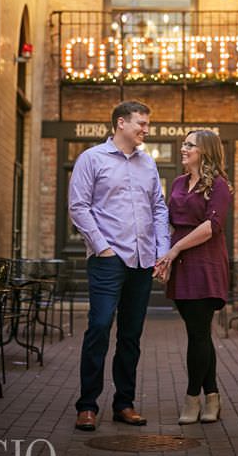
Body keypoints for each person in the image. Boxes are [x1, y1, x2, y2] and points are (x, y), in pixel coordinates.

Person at [69, 101, 170, 431]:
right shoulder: (91, 159)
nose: (146, 129)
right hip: (108, 261)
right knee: (98, 328)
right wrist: (103, 248)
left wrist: (162, 251)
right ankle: (87, 406)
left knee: (131, 335)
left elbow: (158, 209)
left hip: (142, 262)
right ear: (120, 123)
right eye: (141, 123)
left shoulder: (148, 164)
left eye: (147, 124)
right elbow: (79, 208)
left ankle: (123, 403)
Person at [154, 129, 231, 425]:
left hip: (206, 263)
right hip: (182, 262)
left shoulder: (220, 186)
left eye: (189, 145)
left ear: (205, 151)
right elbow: (170, 223)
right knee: (199, 333)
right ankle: (212, 395)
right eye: (184, 144)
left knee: (197, 334)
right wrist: (165, 258)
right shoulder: (177, 183)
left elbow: (212, 227)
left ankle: (192, 398)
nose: (183, 149)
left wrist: (173, 252)